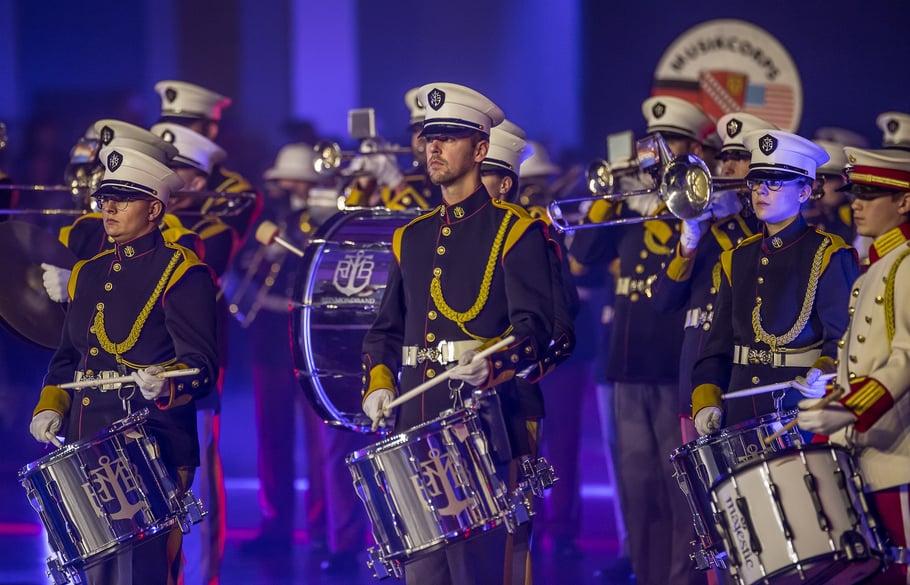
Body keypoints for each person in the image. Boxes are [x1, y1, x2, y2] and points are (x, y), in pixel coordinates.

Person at [361, 82, 556, 585]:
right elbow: (385, 331)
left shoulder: (516, 230)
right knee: (422, 576)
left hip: (481, 429)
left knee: (479, 574)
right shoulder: (412, 235)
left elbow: (534, 332)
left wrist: (493, 365)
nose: (434, 147)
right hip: (413, 428)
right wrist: (380, 384)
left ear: (481, 149)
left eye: (448, 137)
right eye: (430, 137)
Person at [28, 144, 219, 585]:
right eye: (105, 197)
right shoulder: (88, 273)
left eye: (123, 198)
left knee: (141, 576)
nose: (108, 207)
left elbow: (201, 366)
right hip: (84, 442)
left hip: (149, 446)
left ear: (154, 208)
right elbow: (69, 358)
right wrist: (50, 405)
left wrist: (166, 383)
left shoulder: (182, 271)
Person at [569, 95, 715, 585]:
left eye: (670, 141)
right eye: (653, 142)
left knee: (681, 490)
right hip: (627, 365)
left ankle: (681, 579)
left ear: (694, 147)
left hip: (676, 367)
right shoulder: (631, 200)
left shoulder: (702, 201)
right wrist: (610, 192)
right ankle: (645, 573)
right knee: (637, 487)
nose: (658, 152)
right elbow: (585, 252)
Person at [690, 130, 860, 435]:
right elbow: (716, 347)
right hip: (738, 411)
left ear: (805, 192)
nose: (761, 192)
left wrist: (824, 371)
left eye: (775, 182)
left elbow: (845, 340)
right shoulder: (737, 257)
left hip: (800, 412)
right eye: (756, 182)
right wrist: (706, 399)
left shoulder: (830, 253)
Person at [796, 145, 910, 584]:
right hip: (870, 452)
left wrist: (849, 408)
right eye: (854, 192)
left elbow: (906, 356)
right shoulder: (874, 269)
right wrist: (825, 399)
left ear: (904, 202)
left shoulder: (904, 265)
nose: (855, 203)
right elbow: (862, 361)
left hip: (897, 454)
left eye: (870, 193)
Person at [238, 143, 340, 558]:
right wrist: (262, 255)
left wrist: (296, 239)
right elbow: (245, 262)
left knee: (320, 440)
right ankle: (276, 523)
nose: (285, 189)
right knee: (272, 434)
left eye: (292, 182)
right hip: (270, 329)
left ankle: (322, 525)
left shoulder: (328, 214)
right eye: (282, 183)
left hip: (310, 329)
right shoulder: (271, 215)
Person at [653, 112, 772, 443]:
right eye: (724, 158)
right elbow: (663, 301)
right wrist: (689, 239)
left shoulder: (768, 225)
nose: (728, 168)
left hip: (744, 384)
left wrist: (731, 222)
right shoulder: (705, 221)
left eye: (740, 158)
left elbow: (760, 277)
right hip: (695, 380)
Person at [149, 121, 233, 585]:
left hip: (191, 381)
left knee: (194, 498)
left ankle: (202, 579)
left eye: (172, 169)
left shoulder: (208, 232)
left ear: (197, 181)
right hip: (139, 385)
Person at [154, 80, 262, 246]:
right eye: (168, 123)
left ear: (211, 130)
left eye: (184, 125)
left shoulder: (236, 191)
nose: (174, 131)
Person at [343, 86, 440, 210]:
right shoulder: (410, 177)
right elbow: (354, 221)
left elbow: (429, 221)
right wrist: (364, 186)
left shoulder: (445, 179)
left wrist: (397, 184)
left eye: (426, 132)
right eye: (416, 130)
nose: (419, 138)